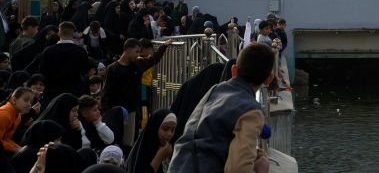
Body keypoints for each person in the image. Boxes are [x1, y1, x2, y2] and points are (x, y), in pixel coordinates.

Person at [168, 43, 275, 173]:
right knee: (263, 163)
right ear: (268, 79)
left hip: (178, 166)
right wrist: (261, 167)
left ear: (234, 70)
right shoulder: (251, 111)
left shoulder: (215, 90)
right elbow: (237, 169)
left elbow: (194, 130)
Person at [101, 38, 172, 147]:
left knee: (128, 143)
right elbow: (106, 91)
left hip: (131, 111)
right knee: (114, 141)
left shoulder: (138, 64)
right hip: (115, 111)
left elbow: (153, 59)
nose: (138, 54)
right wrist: (105, 111)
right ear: (127, 50)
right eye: (136, 51)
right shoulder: (112, 68)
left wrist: (164, 46)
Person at [38, 22, 91, 98]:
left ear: (59, 34)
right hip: (74, 93)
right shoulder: (80, 51)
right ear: (73, 34)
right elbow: (85, 71)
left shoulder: (48, 51)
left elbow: (42, 71)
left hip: (53, 94)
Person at [0, 86, 34, 154]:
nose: (29, 104)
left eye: (31, 102)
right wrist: (17, 150)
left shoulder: (18, 116)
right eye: (26, 100)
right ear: (14, 100)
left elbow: (6, 138)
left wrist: (20, 148)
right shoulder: (4, 114)